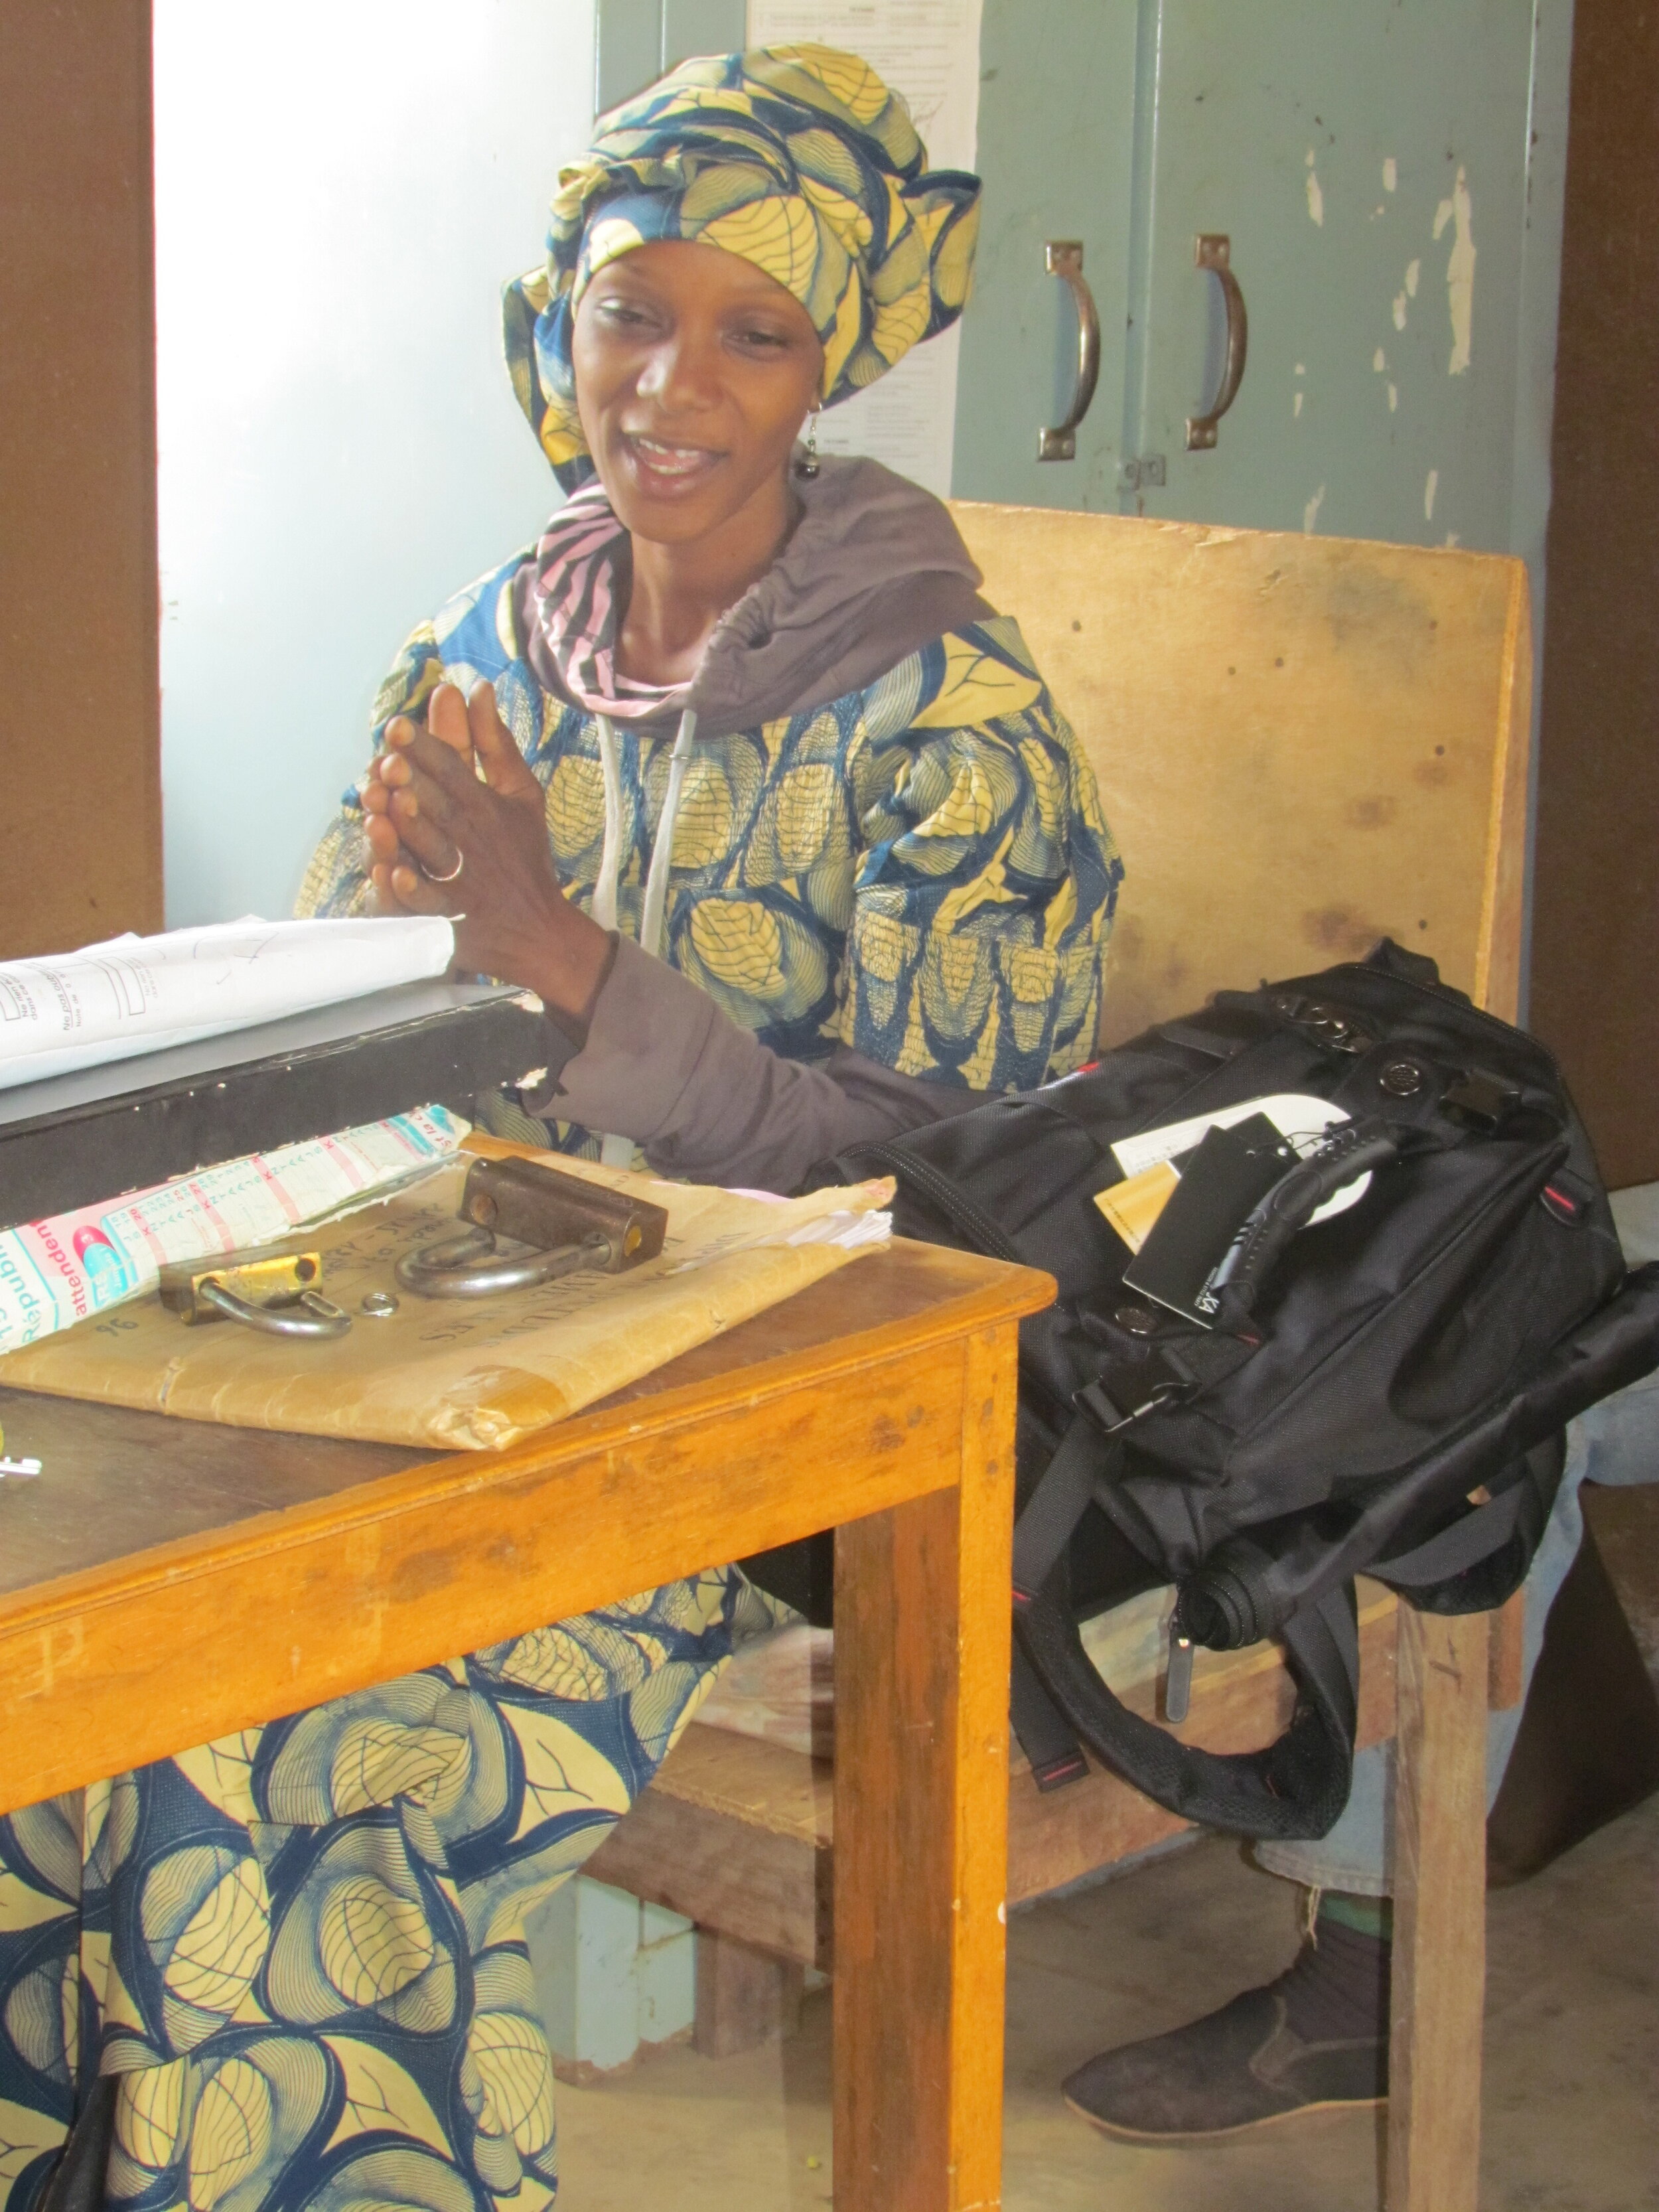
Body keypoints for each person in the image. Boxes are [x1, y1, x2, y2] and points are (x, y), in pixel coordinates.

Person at [0, 46, 1120, 2211]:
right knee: (76, 1670)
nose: (669, 385)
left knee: (291, 1758)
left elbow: (946, 1205)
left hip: (771, 1421)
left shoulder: (964, 733)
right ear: (557, 322)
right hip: (444, 1346)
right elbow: (354, 1030)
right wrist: (401, 955)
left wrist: (556, 960)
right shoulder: (486, 650)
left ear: (835, 364)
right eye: (627, 309)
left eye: (752, 329)